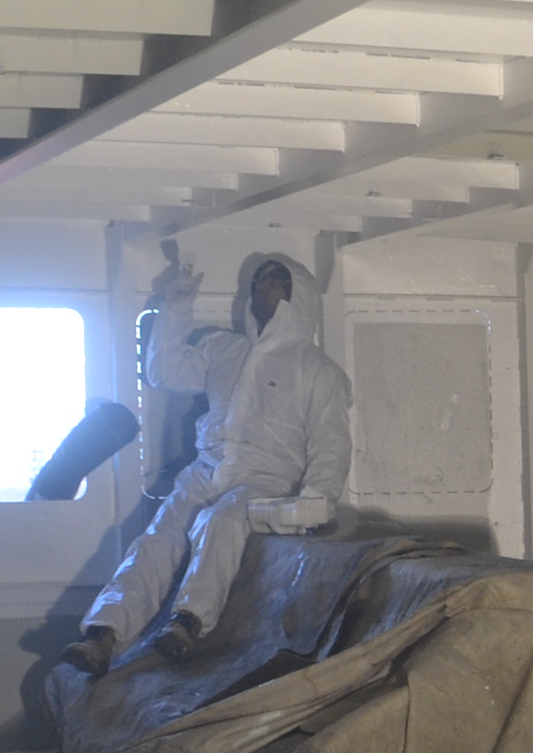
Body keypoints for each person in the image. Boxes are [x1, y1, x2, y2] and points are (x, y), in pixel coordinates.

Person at [66, 252, 348, 671]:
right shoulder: (225, 348)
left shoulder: (316, 369)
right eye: (259, 281)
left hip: (266, 479)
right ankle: (102, 634)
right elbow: (164, 373)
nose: (264, 288)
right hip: (205, 471)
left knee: (220, 521)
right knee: (160, 535)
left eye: (276, 280)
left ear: (299, 296)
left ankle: (187, 621)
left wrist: (316, 500)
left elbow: (331, 443)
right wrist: (176, 309)